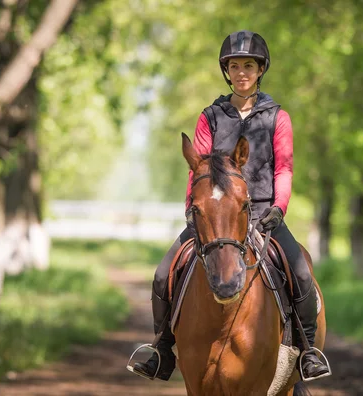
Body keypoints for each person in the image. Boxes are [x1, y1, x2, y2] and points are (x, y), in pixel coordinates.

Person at [133, 30, 330, 381]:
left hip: (263, 213)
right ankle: (162, 349)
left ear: (260, 70)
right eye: (235, 65)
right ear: (227, 71)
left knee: (300, 271)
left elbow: (283, 167)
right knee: (165, 271)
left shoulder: (276, 117)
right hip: (213, 215)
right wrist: (192, 211)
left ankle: (308, 351)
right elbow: (196, 170)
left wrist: (279, 208)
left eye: (249, 65)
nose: (242, 72)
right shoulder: (210, 116)